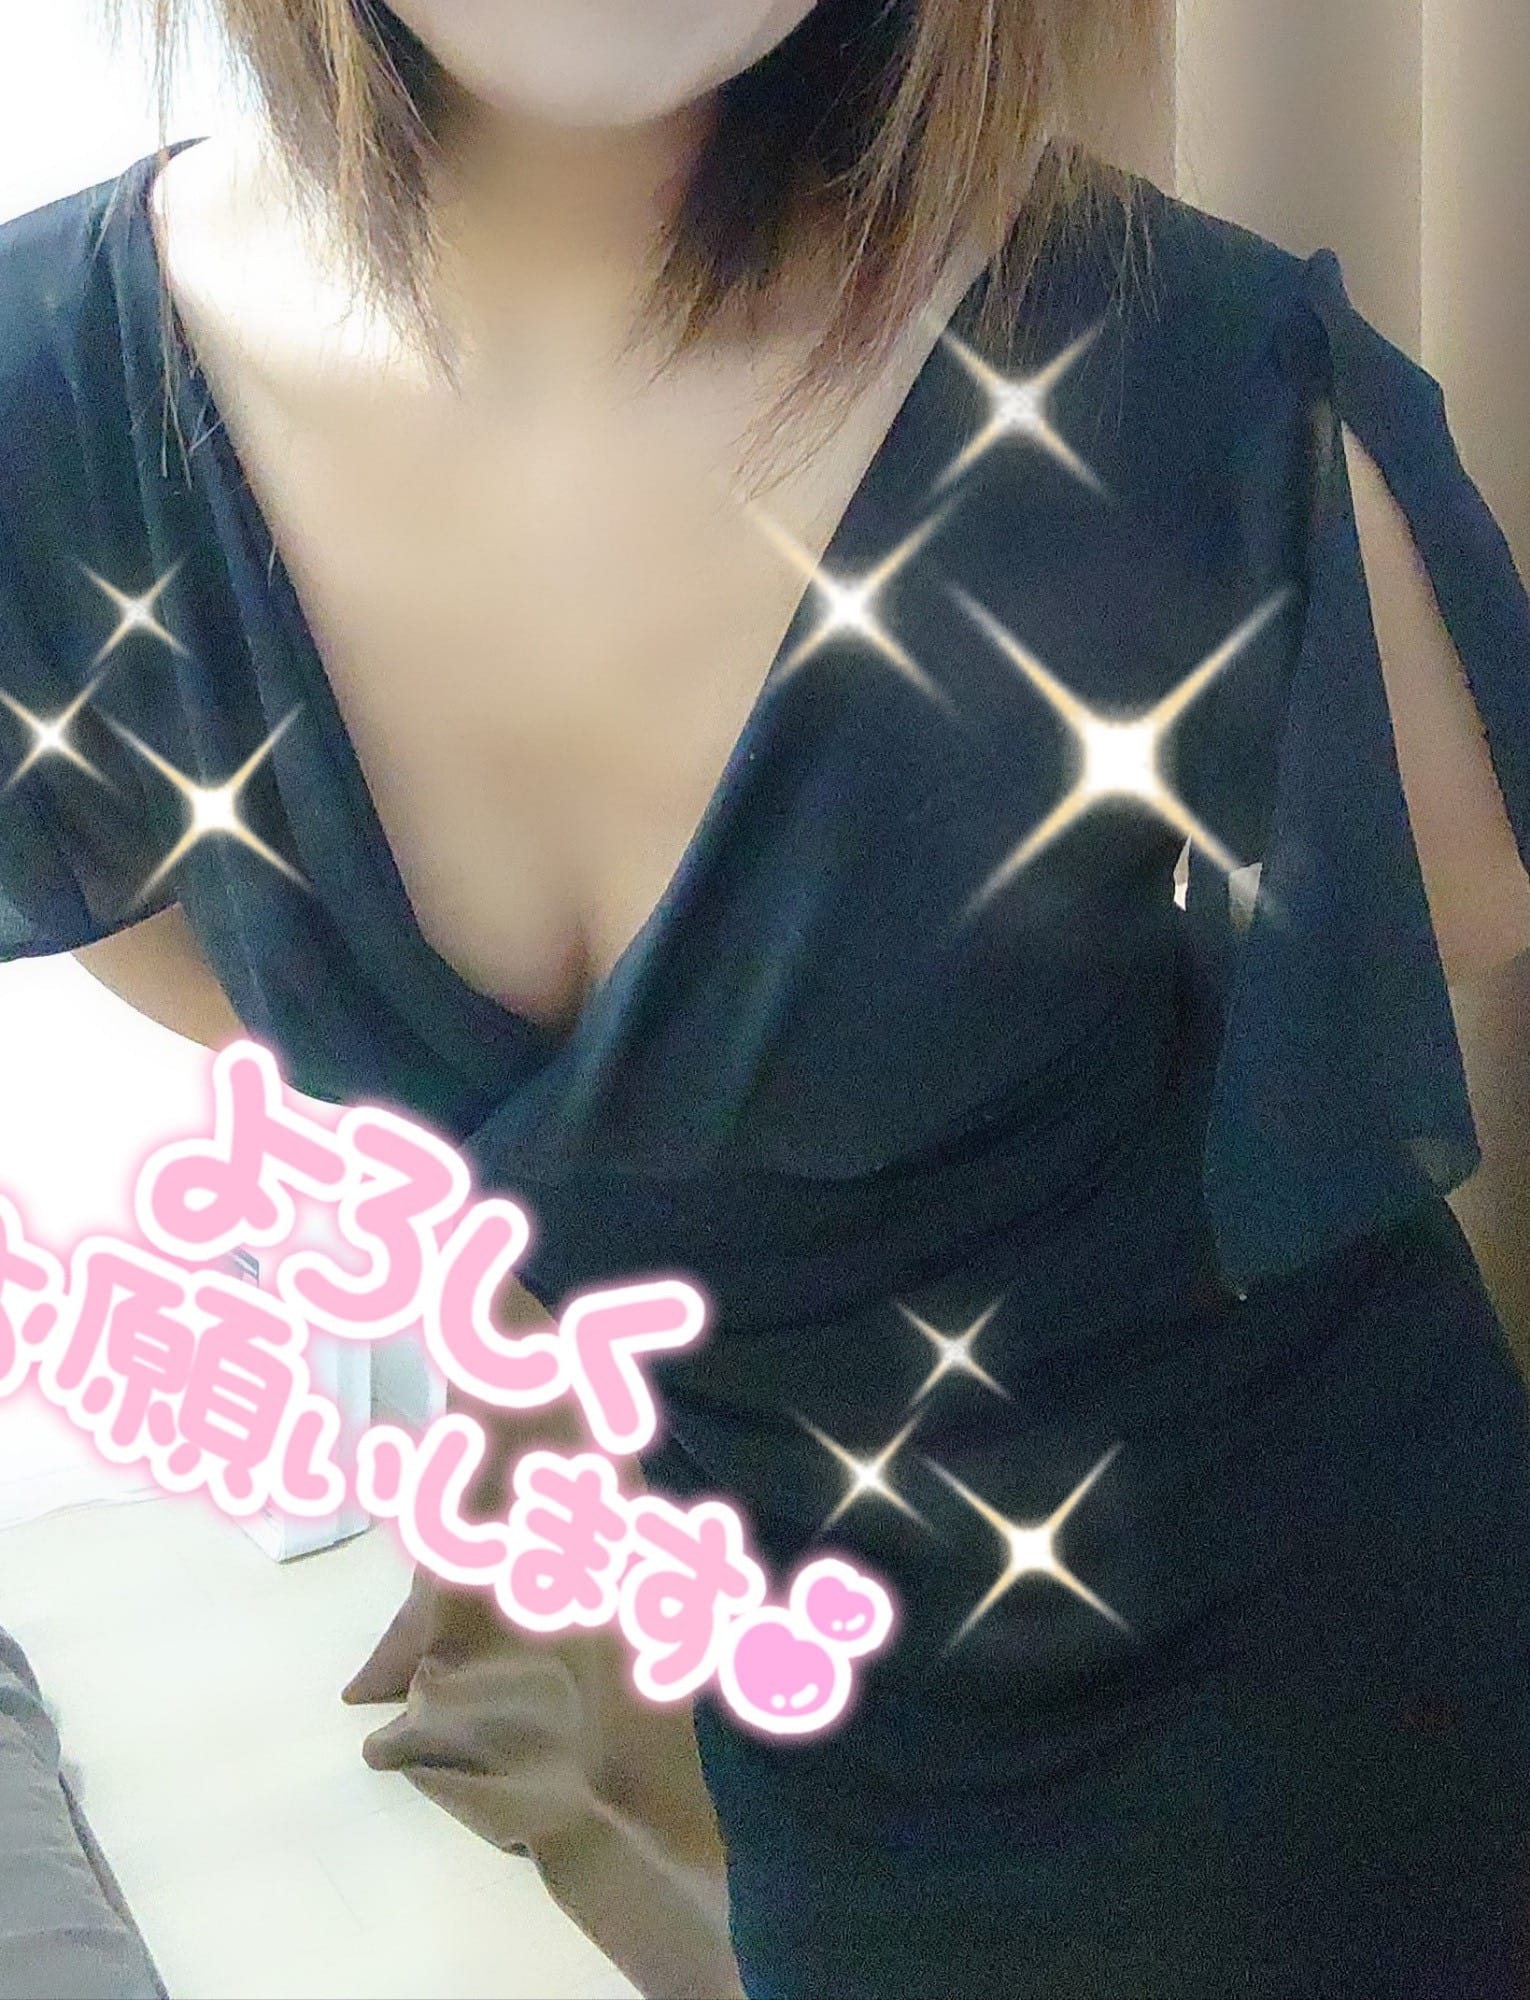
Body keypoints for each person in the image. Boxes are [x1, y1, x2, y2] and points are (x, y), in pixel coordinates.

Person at [3, 2, 1530, 1994]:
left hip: (1292, 1631)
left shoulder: (1178, 358)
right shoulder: (53, 400)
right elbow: (1441, 899)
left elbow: (1459, 901)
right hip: (816, 1682)